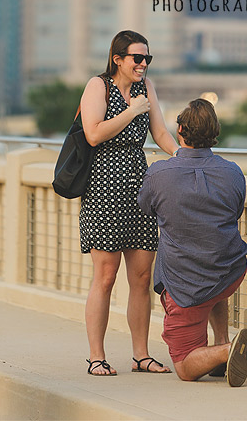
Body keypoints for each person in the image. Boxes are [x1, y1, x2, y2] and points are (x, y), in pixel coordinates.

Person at [78, 30, 179, 376]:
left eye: (147, 59)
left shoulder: (146, 89)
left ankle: (141, 354)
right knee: (105, 277)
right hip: (104, 189)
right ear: (118, 59)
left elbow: (161, 133)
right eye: (137, 58)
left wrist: (182, 155)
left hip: (139, 188)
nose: (143, 65)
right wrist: (131, 111)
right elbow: (93, 134)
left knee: (141, 276)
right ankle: (96, 356)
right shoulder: (99, 86)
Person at [137, 98, 247, 387]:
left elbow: (146, 207)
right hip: (229, 271)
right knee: (215, 287)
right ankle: (223, 342)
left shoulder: (159, 173)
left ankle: (227, 349)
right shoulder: (232, 172)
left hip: (185, 285)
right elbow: (235, 210)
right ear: (215, 132)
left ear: (179, 131)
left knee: (185, 366)